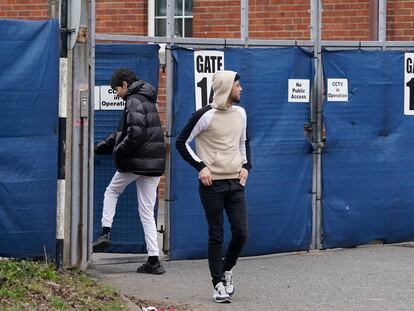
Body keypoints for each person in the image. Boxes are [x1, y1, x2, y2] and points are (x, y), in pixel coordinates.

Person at [175, 70, 251, 303]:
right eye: (237, 86)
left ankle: (226, 269)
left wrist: (247, 166)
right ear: (227, 89)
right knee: (216, 235)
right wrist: (201, 167)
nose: (241, 89)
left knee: (241, 233)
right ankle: (218, 284)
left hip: (235, 183)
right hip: (212, 185)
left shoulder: (241, 113)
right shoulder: (204, 116)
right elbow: (181, 142)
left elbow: (243, 142)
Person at [93, 68, 166, 275]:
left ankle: (105, 232)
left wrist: (117, 150)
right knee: (146, 212)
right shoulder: (147, 99)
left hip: (136, 162)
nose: (116, 94)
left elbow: (135, 134)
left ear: (125, 84)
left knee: (111, 191)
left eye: (116, 89)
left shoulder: (133, 100)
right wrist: (101, 146)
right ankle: (154, 259)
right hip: (153, 164)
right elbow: (121, 133)